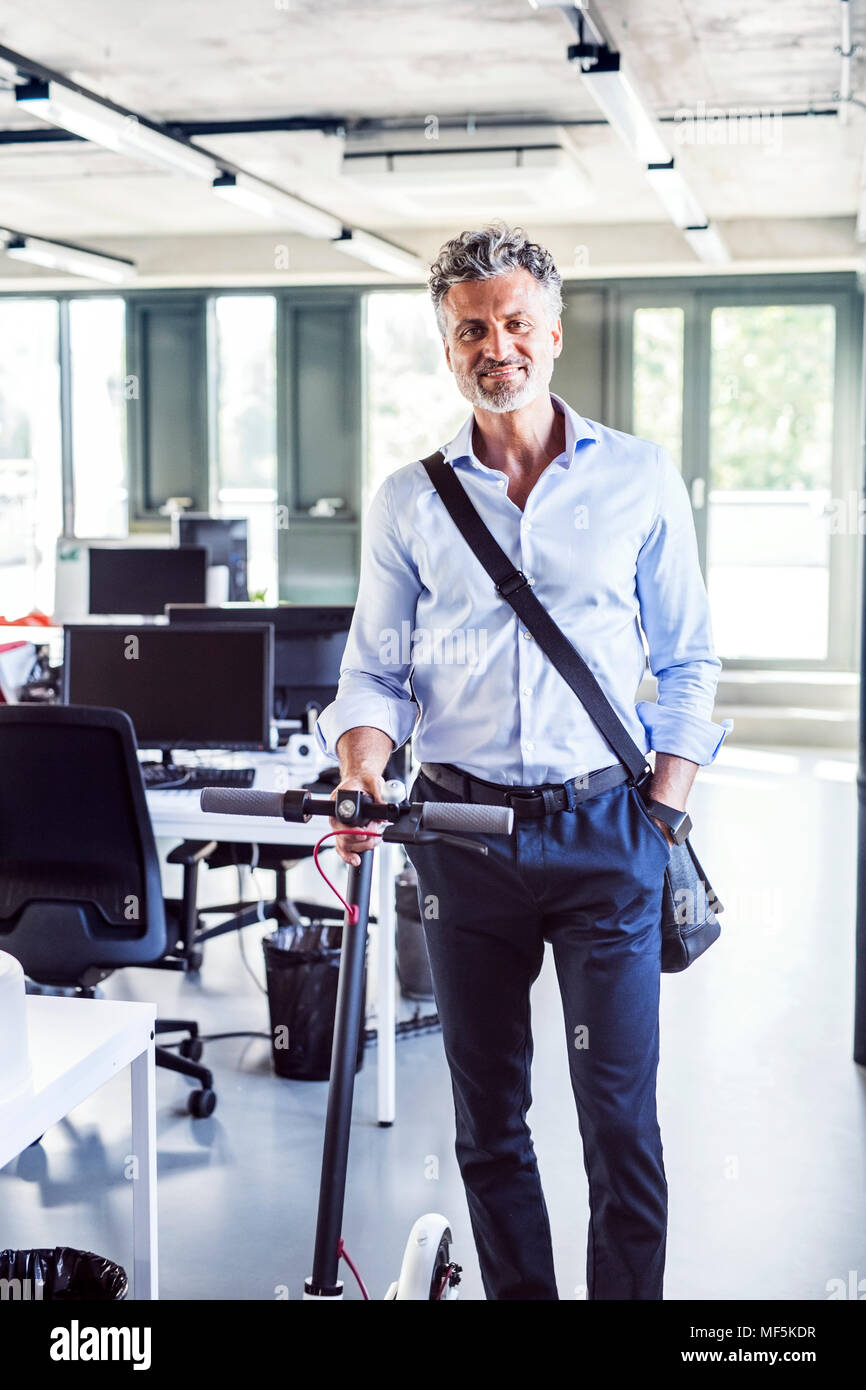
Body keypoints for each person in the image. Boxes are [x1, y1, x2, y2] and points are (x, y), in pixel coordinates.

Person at [316, 222, 730, 1301]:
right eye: (468, 330)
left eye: (511, 323)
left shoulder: (637, 480)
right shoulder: (412, 500)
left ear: (551, 333)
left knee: (618, 1122)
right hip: (460, 841)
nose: (492, 345)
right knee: (488, 1125)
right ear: (446, 348)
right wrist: (362, 772)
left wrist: (665, 812)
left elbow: (688, 664)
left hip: (607, 834)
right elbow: (373, 677)